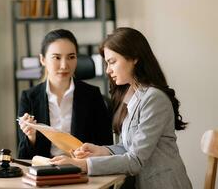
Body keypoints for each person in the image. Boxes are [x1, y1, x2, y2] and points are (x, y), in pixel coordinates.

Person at [50, 27, 192, 189]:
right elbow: (128, 146)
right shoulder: (133, 96)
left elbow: (135, 159)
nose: (108, 70)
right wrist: (100, 151)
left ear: (134, 58)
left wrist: (82, 164)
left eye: (112, 62)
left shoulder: (154, 99)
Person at [17, 29, 113, 159]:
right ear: (43, 59)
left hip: (82, 170)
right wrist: (31, 137)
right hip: (45, 172)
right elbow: (23, 157)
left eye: (71, 57)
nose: (64, 65)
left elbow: (106, 147)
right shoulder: (29, 98)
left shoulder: (92, 95)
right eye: (57, 57)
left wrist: (86, 154)